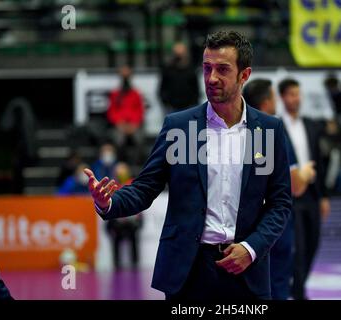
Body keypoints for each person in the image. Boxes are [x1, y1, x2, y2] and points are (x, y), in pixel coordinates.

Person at [84, 30, 292, 300]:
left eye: (222, 69)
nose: (212, 78)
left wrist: (252, 248)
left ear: (244, 75)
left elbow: (280, 202)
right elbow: (146, 187)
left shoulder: (269, 130)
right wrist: (108, 202)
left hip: (246, 270)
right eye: (206, 68)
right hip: (189, 272)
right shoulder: (179, 126)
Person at [243, 79, 315, 300]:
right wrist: (305, 173)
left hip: (246, 226)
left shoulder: (238, 133)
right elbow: (296, 186)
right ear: (266, 102)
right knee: (278, 283)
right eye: (274, 97)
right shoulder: (274, 132)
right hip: (275, 225)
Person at [279, 78, 331, 300]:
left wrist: (324, 196)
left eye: (298, 94)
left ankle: (298, 286)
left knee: (313, 242)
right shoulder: (277, 125)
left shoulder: (310, 125)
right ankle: (299, 293)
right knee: (297, 247)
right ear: (282, 97)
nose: (296, 99)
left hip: (311, 192)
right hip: (290, 193)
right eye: (291, 94)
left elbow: (319, 159)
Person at [106, 162, 143, 270]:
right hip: (117, 220)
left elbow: (139, 201)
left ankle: (135, 263)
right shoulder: (112, 185)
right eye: (119, 170)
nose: (121, 172)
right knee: (115, 235)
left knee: (134, 236)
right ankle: (116, 263)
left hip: (132, 220)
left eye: (123, 169)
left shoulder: (133, 183)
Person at [107, 65, 145, 163]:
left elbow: (140, 111)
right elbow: (111, 112)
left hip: (134, 125)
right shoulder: (115, 94)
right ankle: (121, 163)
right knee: (119, 139)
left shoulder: (136, 94)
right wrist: (119, 124)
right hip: (120, 125)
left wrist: (134, 124)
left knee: (139, 138)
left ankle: (138, 164)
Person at [159, 42, 200, 114]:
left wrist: (194, 104)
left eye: (181, 53)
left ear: (185, 53)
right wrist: (166, 104)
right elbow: (162, 88)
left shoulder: (191, 69)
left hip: (191, 108)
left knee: (193, 125)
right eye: (177, 54)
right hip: (172, 109)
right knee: (174, 125)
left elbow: (196, 89)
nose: (179, 56)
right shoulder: (168, 69)